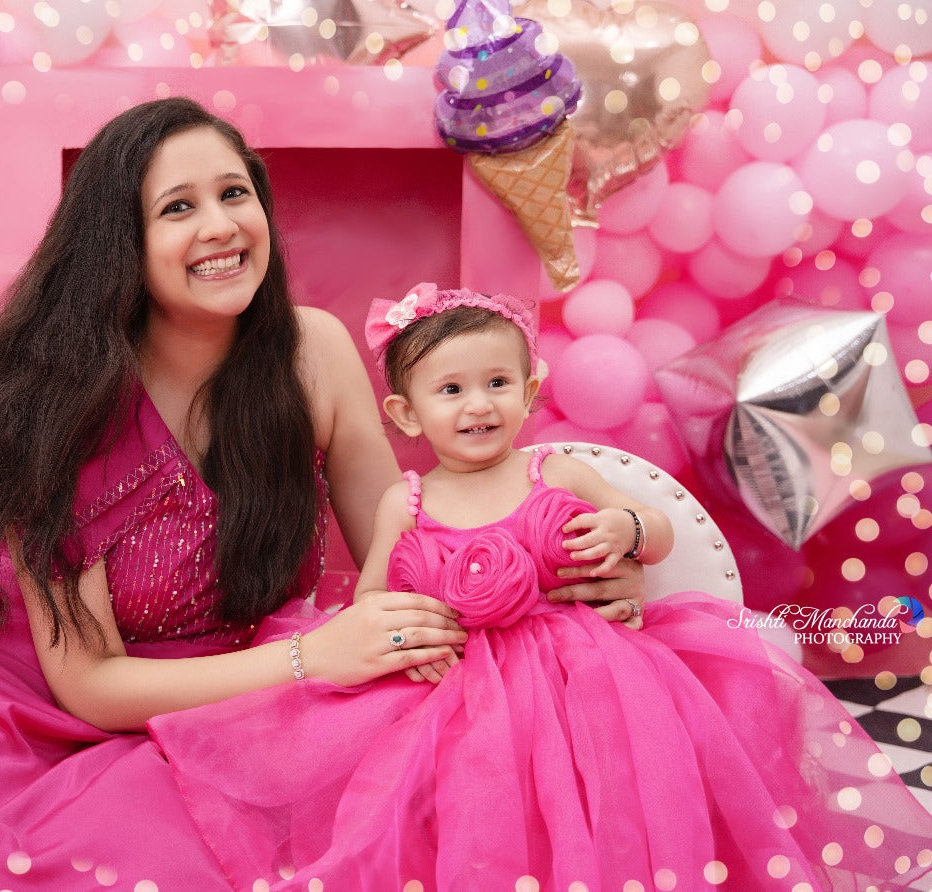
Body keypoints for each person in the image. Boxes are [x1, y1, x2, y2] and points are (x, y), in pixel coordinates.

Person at [0, 100, 644, 889]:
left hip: (242, 690)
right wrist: (315, 656)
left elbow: (419, 546)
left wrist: (565, 572)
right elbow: (91, 685)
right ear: (116, 239)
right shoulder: (44, 402)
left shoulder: (311, 352)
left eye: (234, 194)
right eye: (178, 208)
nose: (221, 227)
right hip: (32, 706)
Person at [148, 283, 932, 891]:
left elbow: (654, 531)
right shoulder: (406, 503)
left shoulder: (554, 469)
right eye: (450, 391)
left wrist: (626, 530)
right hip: (454, 689)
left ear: (528, 394)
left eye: (497, 383)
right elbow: (374, 601)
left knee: (606, 790)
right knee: (467, 801)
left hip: (584, 674)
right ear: (405, 414)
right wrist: (400, 637)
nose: (478, 404)